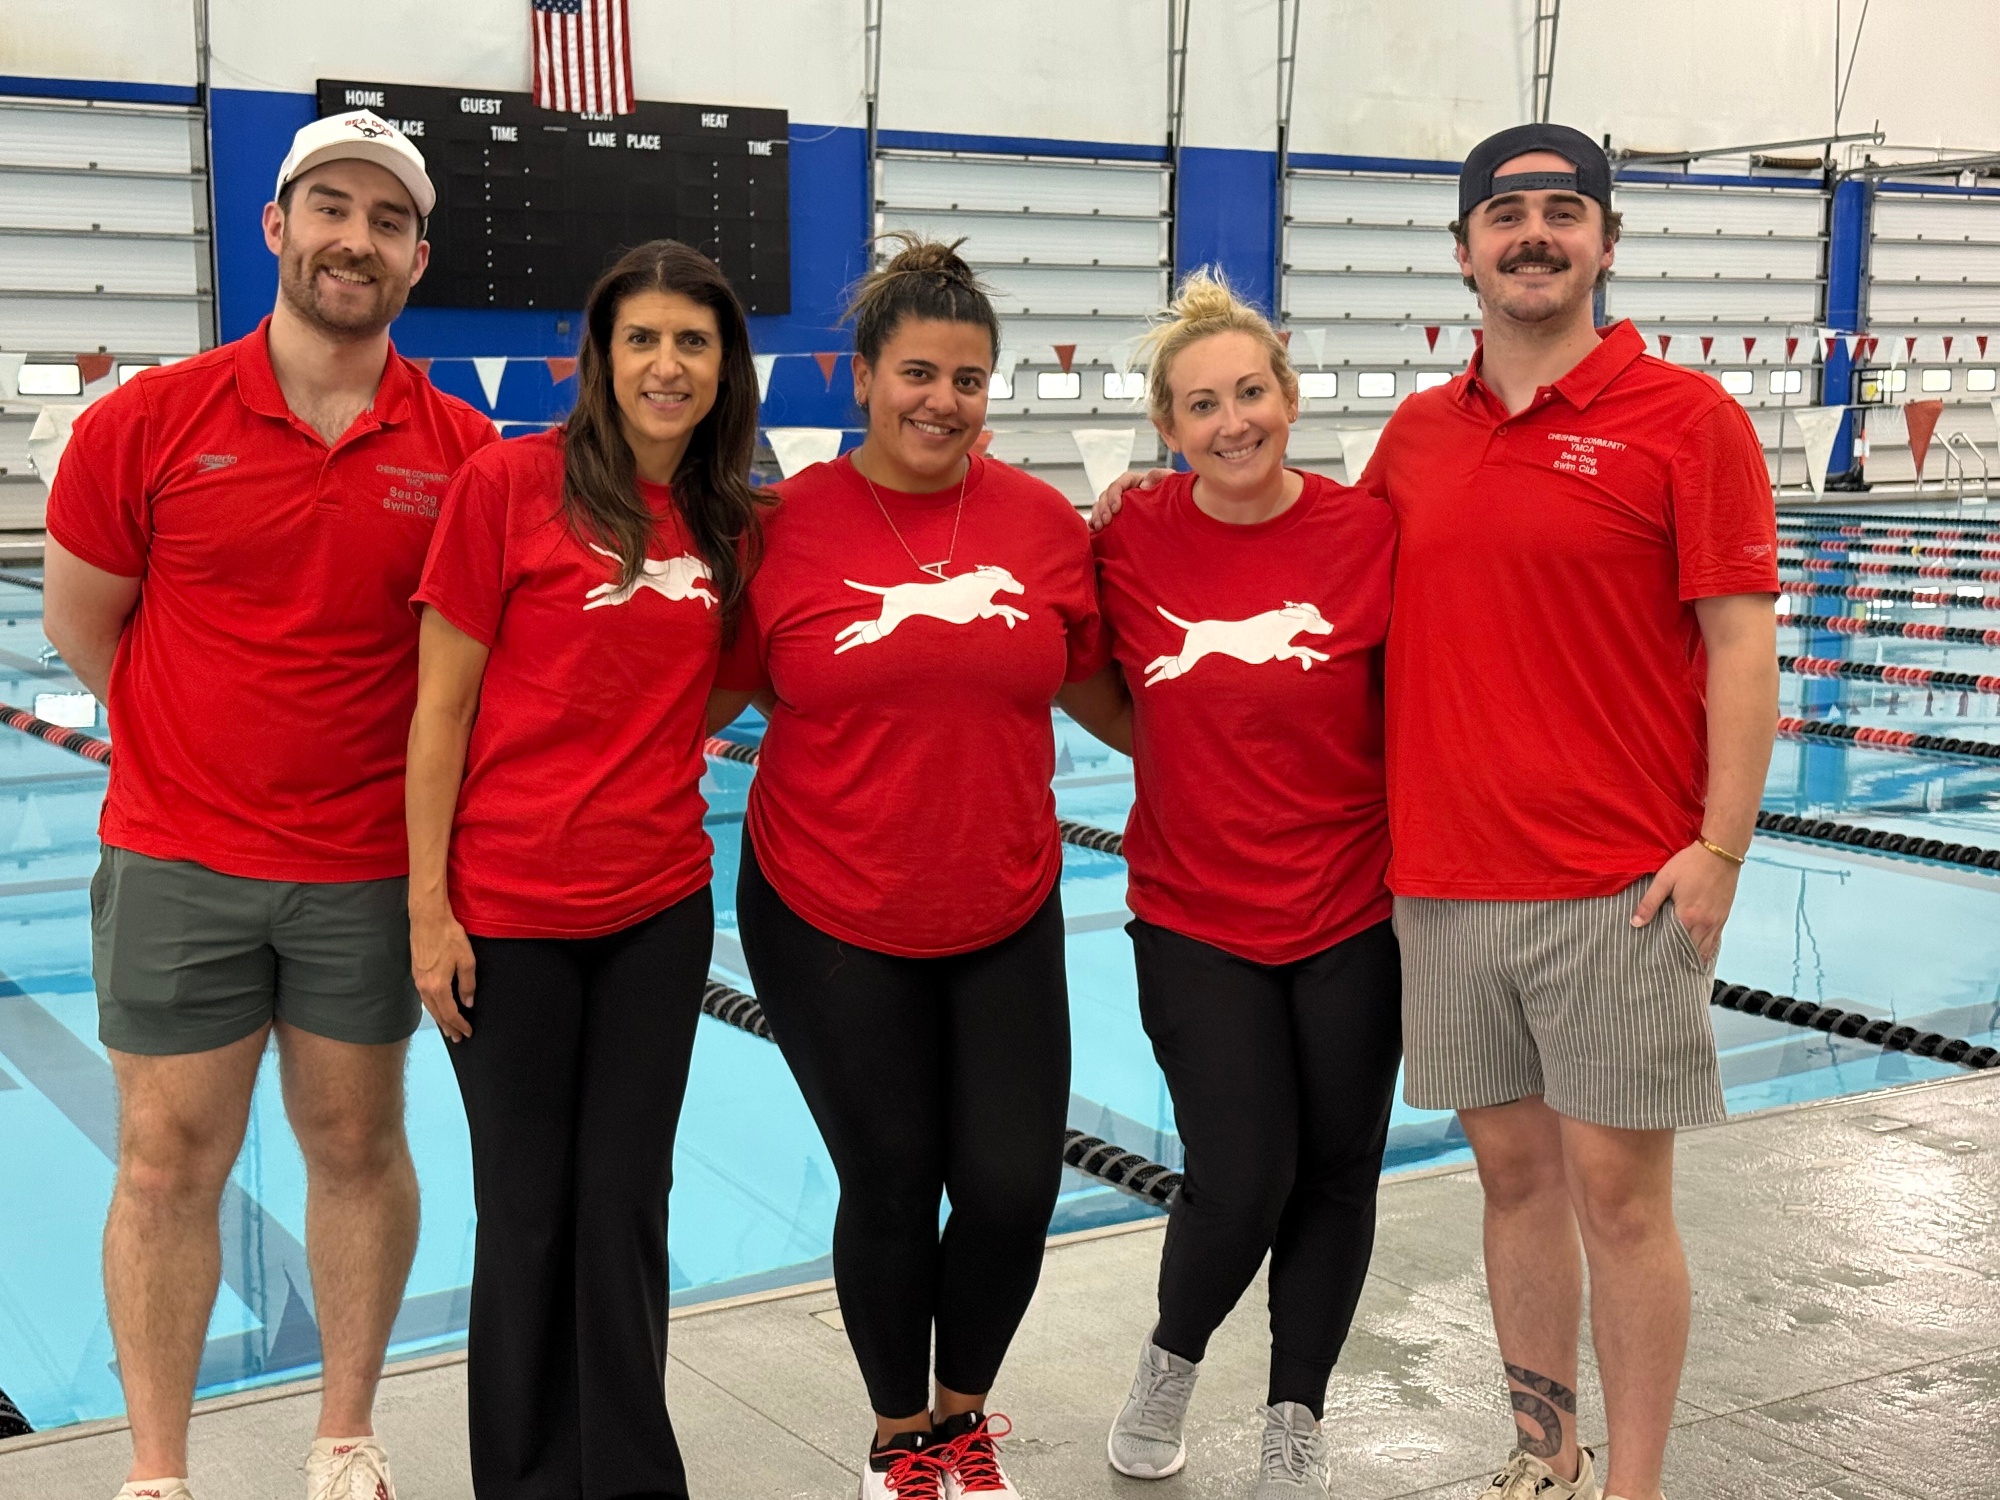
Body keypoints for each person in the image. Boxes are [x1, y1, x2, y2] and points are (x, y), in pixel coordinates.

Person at [1101, 123, 1778, 1500]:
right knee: (1515, 1182)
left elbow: (1741, 641)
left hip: (1616, 885)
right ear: (1464, 249)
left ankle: (1634, 1488)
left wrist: (1719, 847)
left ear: (1603, 240)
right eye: (1505, 214)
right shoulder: (1416, 438)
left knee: (1620, 1202)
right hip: (1443, 892)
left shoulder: (1686, 419)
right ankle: (1544, 1456)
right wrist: (1145, 500)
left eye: (1562, 210)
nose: (1534, 234)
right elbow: (1288, 552)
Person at [41, 111, 496, 1500]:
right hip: (179, 855)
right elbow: (82, 628)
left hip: (365, 866)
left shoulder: (464, 449)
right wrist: (201, 750)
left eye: (388, 221)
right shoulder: (146, 423)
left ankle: (344, 1439)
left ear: (418, 259)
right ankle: (157, 1473)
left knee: (356, 1144)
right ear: (276, 226)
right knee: (162, 1162)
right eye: (332, 209)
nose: (357, 240)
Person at [709, 235, 1101, 1500]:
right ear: (865, 377)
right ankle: (899, 1446)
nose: (942, 401)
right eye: (918, 374)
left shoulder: (1040, 524)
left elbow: (1106, 685)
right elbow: (685, 696)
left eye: (967, 379)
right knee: (888, 1181)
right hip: (825, 905)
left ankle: (963, 1419)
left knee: (1009, 1188)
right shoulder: (779, 529)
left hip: (1002, 897)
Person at [403, 239, 764, 1500]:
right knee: (526, 1209)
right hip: (506, 912)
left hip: (655, 910)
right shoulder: (509, 483)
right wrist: (428, 913)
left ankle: (628, 1476)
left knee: (623, 1204)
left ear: (723, 366)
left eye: (693, 342)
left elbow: (719, 688)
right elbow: (440, 710)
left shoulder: (727, 524)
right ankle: (522, 1479)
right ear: (599, 359)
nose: (667, 365)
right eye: (642, 339)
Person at [1060, 269, 1402, 1500]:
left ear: (1288, 396)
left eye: (1249, 393)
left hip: (1352, 910)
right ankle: (1170, 1360)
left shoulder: (1367, 534)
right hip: (1194, 914)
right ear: (1167, 426)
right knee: (1240, 1174)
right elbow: (1084, 675)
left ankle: (1293, 1419)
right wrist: (1170, 743)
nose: (1232, 422)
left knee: (1336, 1173)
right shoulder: (1128, 535)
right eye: (1201, 405)